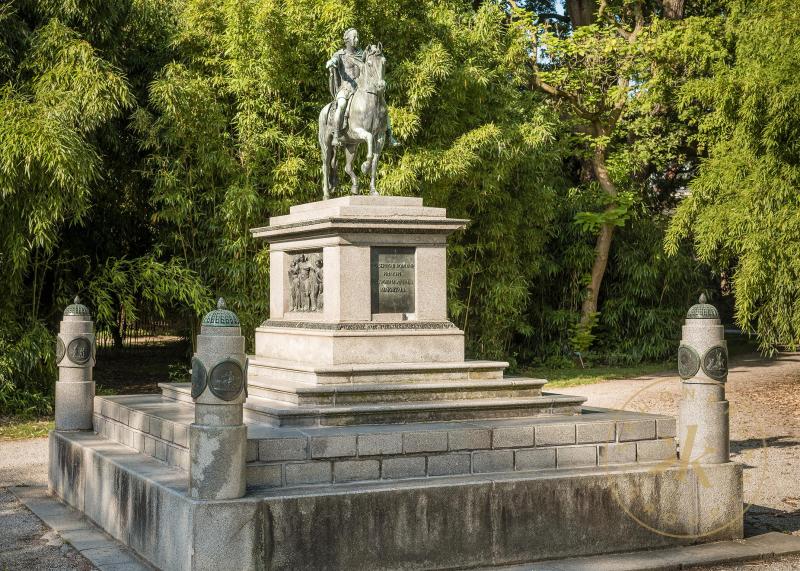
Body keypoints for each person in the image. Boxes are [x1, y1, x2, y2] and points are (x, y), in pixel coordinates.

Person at [326, 28, 398, 147]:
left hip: (361, 87)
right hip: (345, 88)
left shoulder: (361, 54)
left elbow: (372, 63)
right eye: (354, 37)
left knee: (382, 103)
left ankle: (389, 134)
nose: (357, 39)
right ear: (347, 40)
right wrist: (331, 62)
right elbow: (334, 60)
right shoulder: (340, 54)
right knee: (342, 104)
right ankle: (336, 135)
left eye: (357, 37)